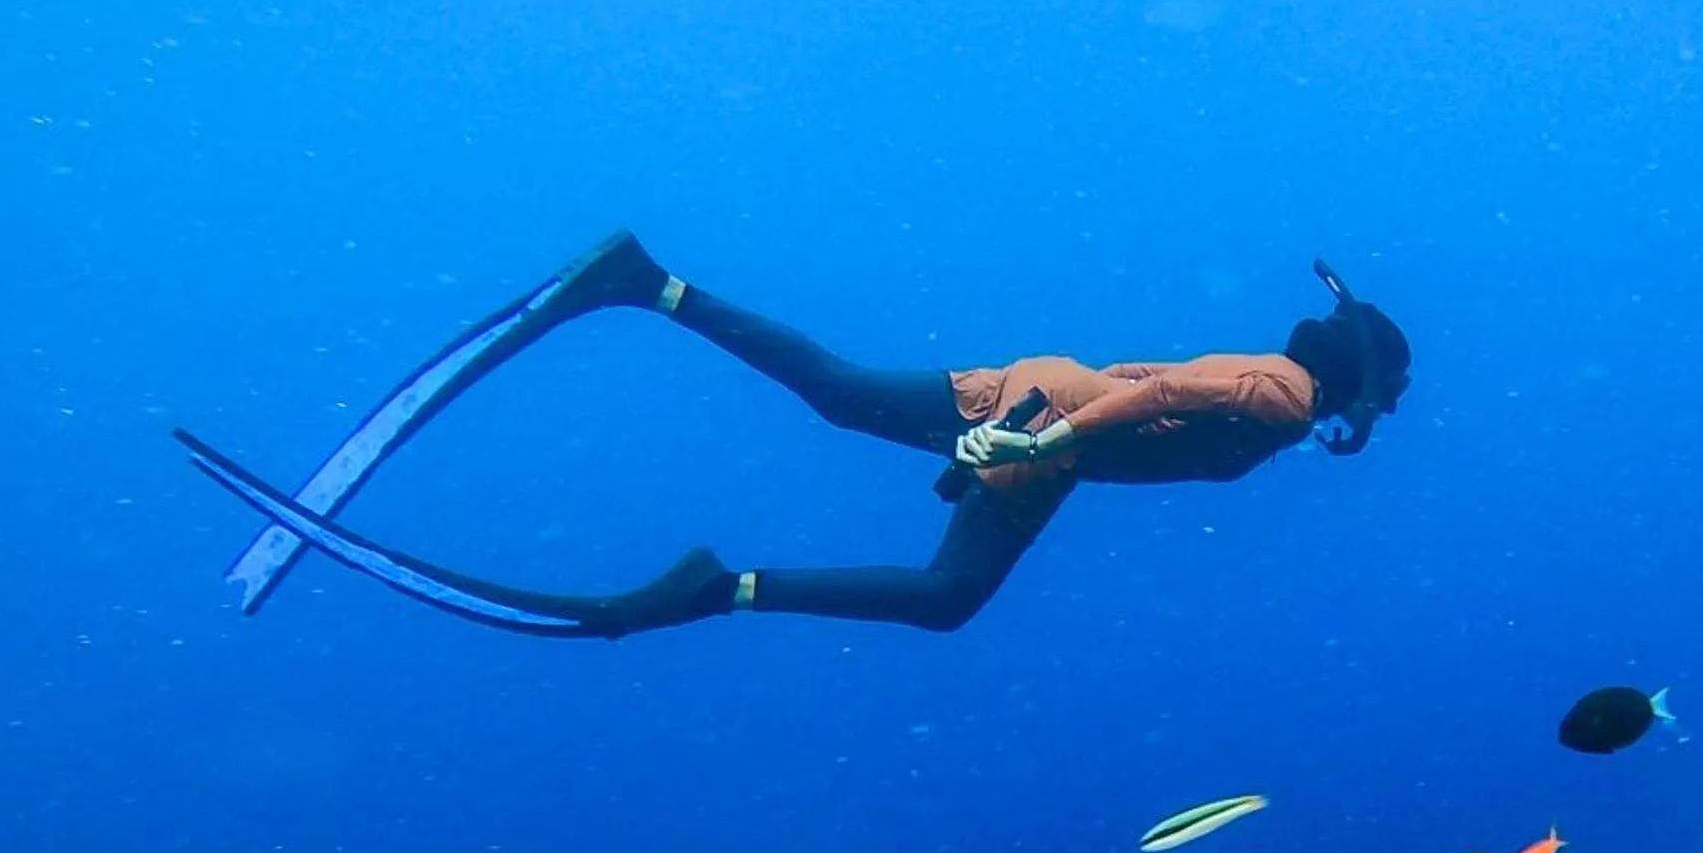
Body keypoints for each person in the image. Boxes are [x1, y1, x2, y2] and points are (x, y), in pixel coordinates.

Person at [180, 232, 1410, 638]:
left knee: (834, 392)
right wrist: (1033, 446)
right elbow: (1146, 402)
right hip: (1050, 431)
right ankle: (722, 585)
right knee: (944, 599)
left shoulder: (1255, 366)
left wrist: (1039, 424)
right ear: (1356, 381)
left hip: (1043, 403)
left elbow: (1155, 374)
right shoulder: (1289, 399)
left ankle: (646, 285)